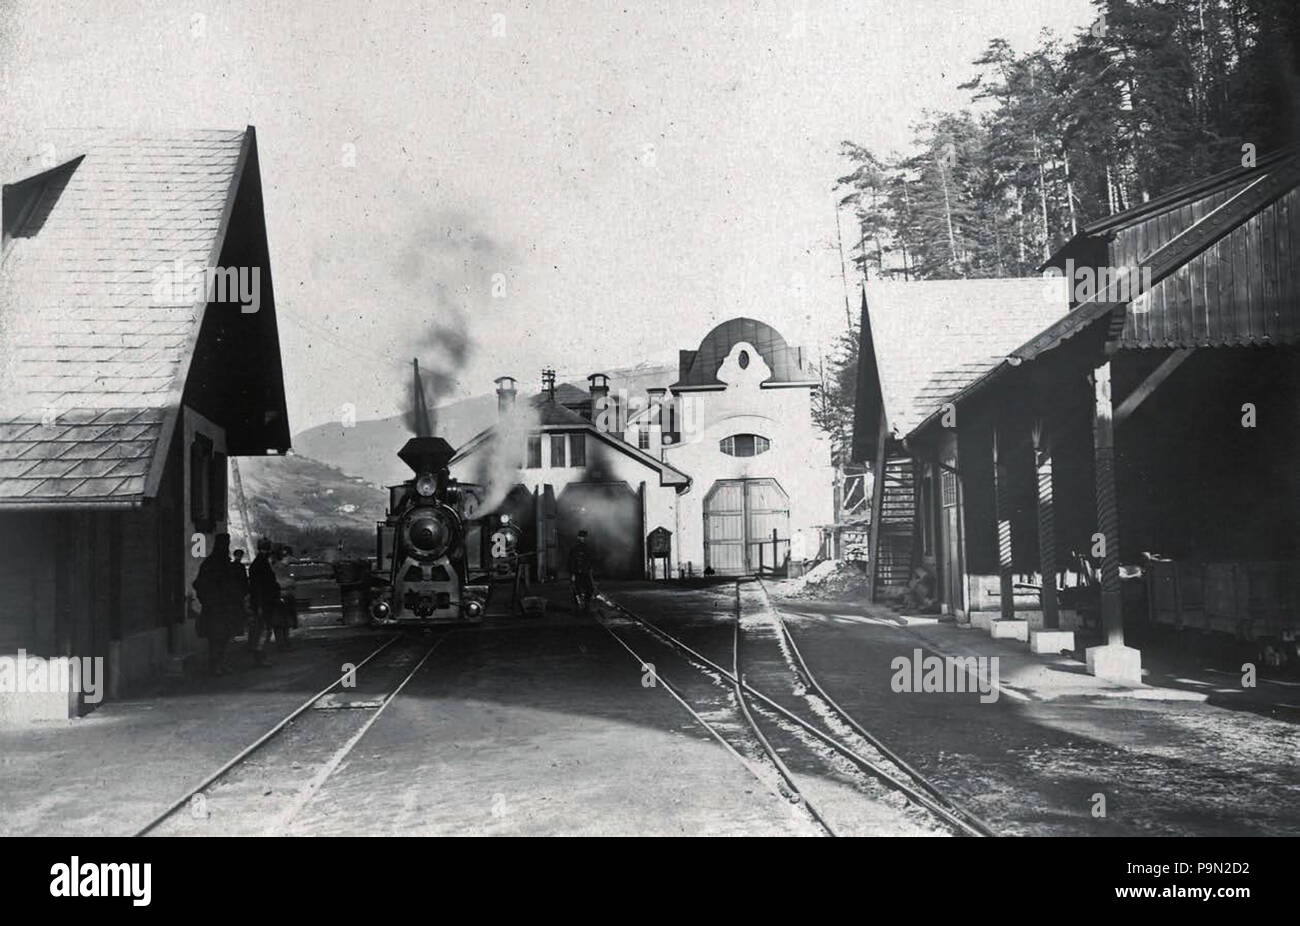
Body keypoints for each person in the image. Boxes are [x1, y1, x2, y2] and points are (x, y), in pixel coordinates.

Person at [193, 533, 243, 676]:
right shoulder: (212, 564)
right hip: (215, 608)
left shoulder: (222, 563)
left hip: (224, 607)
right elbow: (199, 584)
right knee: (216, 638)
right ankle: (215, 666)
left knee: (224, 637)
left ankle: (220, 664)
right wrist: (209, 600)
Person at [247, 538, 279, 666]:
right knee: (263, 630)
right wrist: (260, 605)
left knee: (262, 630)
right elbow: (259, 587)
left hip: (262, 602)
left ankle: (260, 657)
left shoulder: (258, 563)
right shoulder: (261, 564)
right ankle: (260, 658)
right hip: (263, 602)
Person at [268, 545, 298, 650]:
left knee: (284, 622)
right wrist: (290, 582)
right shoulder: (277, 568)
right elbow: (279, 582)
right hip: (280, 597)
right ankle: (282, 644)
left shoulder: (282, 567)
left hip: (285, 596)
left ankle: (284, 643)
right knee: (280, 622)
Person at [568, 530, 595, 612]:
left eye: (584, 537)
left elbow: (590, 560)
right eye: (581, 537)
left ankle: (586, 604)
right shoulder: (575, 548)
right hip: (577, 572)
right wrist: (572, 574)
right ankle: (579, 606)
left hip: (585, 572)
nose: (582, 538)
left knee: (590, 588)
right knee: (577, 589)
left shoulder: (587, 548)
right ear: (578, 537)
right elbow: (571, 561)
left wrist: (590, 569)